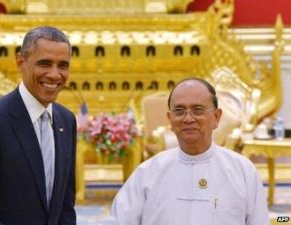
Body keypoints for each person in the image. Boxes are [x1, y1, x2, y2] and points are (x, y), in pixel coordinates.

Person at [0, 26, 77, 225]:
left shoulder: (66, 120)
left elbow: (65, 205)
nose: (54, 75)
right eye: (44, 63)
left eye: (62, 65)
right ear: (21, 62)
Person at [107, 78, 269, 225]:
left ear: (216, 117)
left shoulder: (242, 171)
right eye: (179, 111)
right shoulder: (148, 172)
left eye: (197, 110)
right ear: (170, 119)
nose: (188, 118)